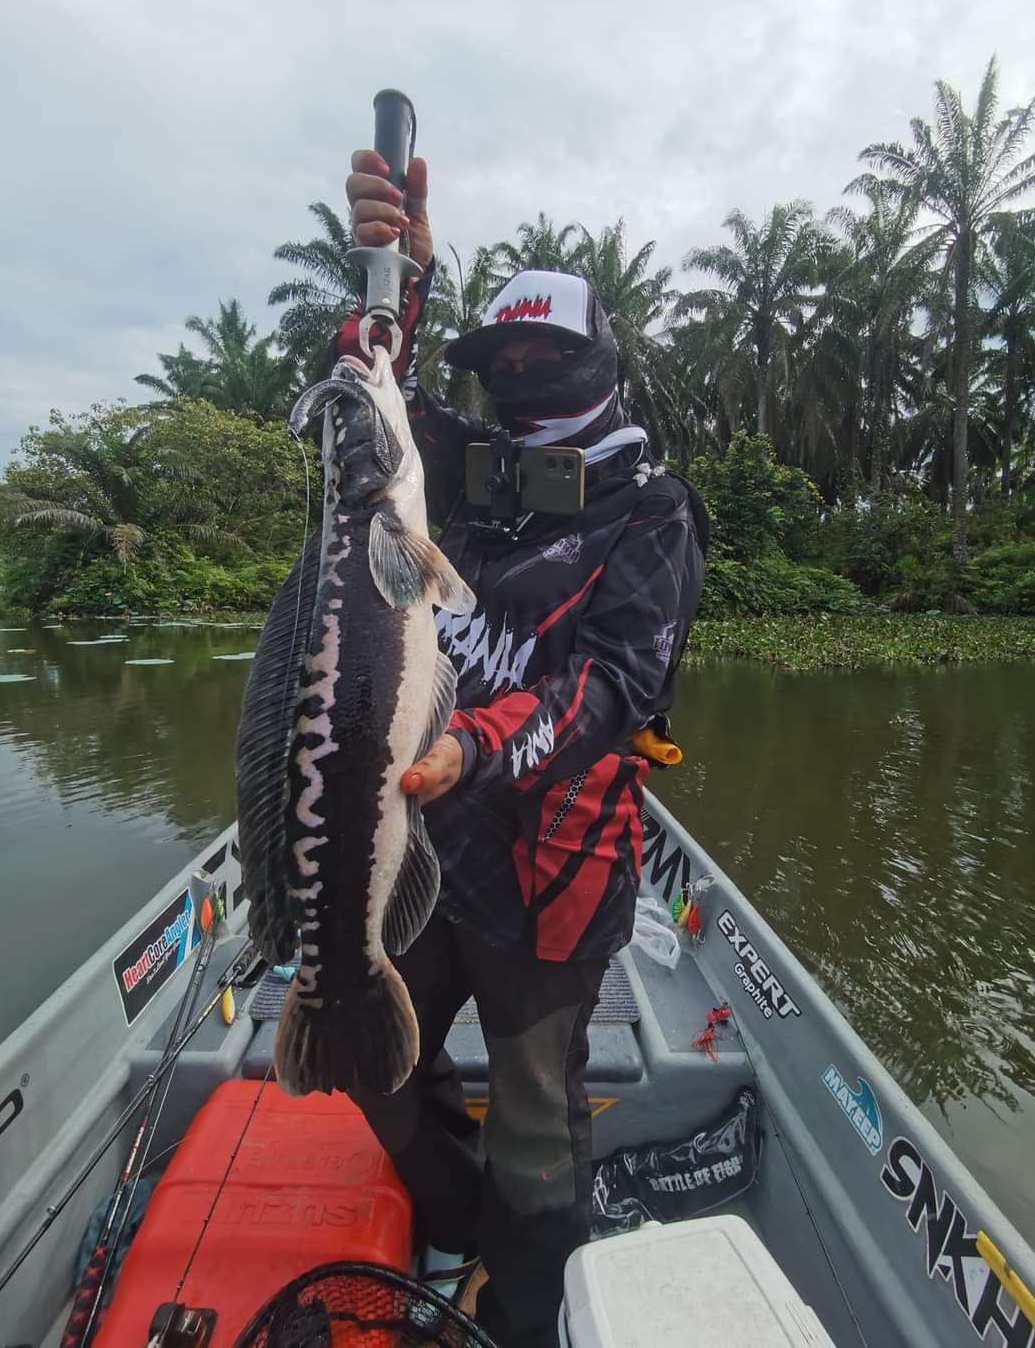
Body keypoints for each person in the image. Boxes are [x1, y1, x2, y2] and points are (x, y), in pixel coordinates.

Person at [338, 150, 708, 1348]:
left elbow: (615, 683)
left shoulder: (651, 510)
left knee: (541, 1124)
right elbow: (366, 392)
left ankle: (525, 1308)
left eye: (549, 360)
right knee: (365, 1051)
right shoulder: (460, 470)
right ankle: (456, 1213)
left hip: (557, 878)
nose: (522, 378)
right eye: (500, 366)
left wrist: (481, 746)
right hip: (424, 856)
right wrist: (398, 273)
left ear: (603, 363)